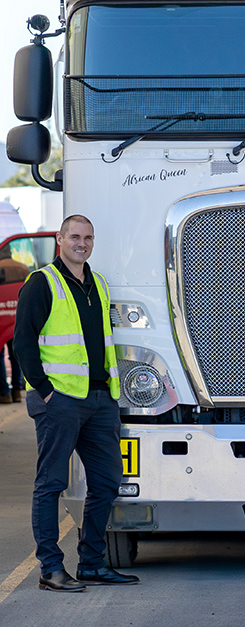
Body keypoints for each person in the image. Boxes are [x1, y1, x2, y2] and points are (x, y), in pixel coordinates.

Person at [13, 214, 139, 592]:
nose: (81, 243)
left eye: (87, 238)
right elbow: (23, 343)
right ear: (60, 239)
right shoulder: (41, 283)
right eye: (75, 237)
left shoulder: (96, 283)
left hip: (100, 398)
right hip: (61, 400)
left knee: (107, 482)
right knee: (50, 484)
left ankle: (92, 563)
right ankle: (50, 569)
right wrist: (47, 392)